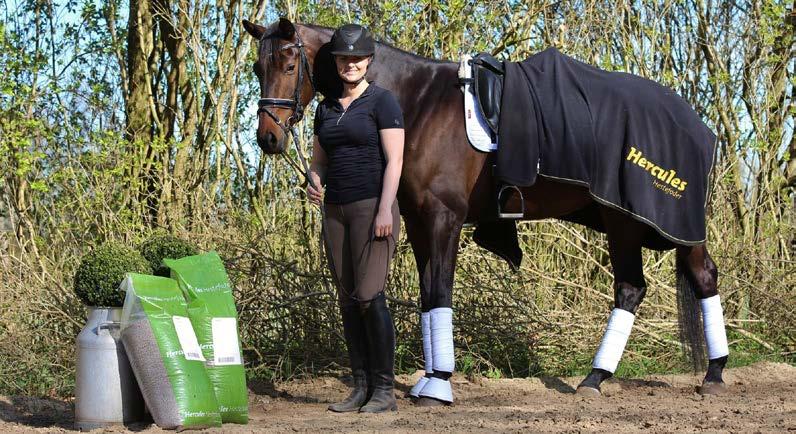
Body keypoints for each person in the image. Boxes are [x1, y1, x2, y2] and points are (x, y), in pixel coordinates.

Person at [307, 23, 405, 413]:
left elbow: (395, 160)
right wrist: (315, 180)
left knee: (369, 295)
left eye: (356, 58)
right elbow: (319, 161)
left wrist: (385, 207)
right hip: (335, 211)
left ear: (368, 61)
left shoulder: (383, 102)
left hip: (372, 207)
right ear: (336, 62)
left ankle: (384, 391)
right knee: (348, 300)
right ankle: (360, 388)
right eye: (343, 58)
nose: (350, 64)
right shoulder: (325, 109)